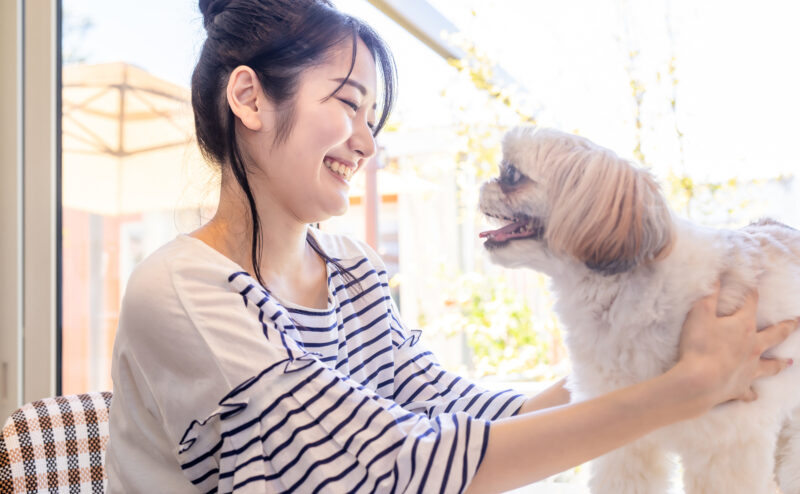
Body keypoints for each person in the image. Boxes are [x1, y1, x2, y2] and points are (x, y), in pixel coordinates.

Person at [105, 0, 798, 492]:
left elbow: (453, 412)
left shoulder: (349, 269)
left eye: (372, 117)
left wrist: (656, 352)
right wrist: (688, 386)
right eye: (347, 104)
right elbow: (387, 470)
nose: (367, 142)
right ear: (251, 100)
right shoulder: (184, 291)